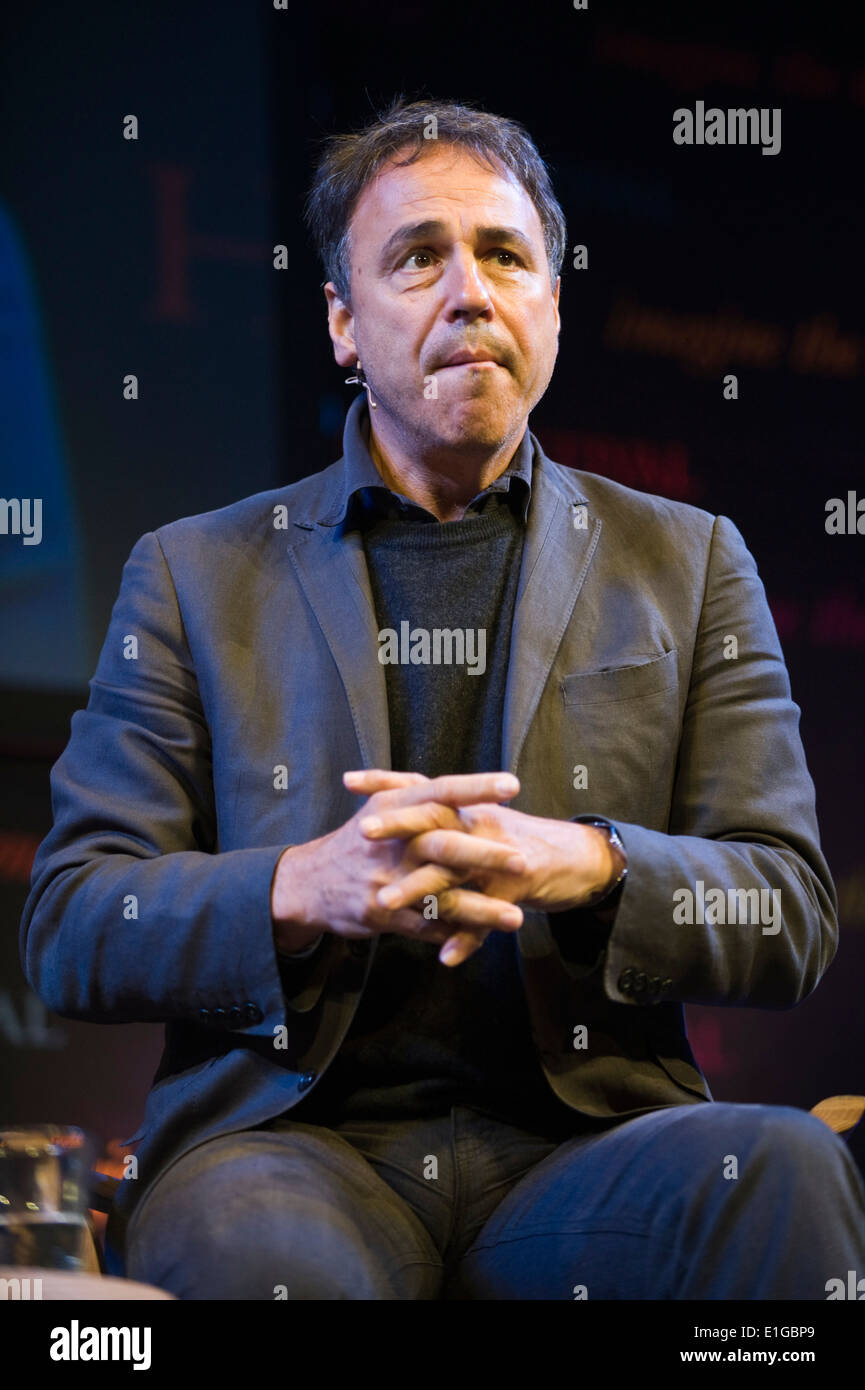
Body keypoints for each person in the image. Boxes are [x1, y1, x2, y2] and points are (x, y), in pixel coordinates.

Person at [20, 96, 865, 1300]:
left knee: (780, 1166)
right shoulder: (194, 572)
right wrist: (303, 887)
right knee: (275, 1265)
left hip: (587, 1157)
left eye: (506, 256)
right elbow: (72, 920)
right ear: (341, 324)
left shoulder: (689, 562)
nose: (470, 292)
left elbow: (786, 908)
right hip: (288, 1152)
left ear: (553, 309)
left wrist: (588, 863)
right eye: (418, 257)